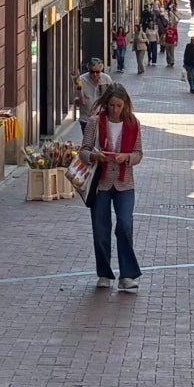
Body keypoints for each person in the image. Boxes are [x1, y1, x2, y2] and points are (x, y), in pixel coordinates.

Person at [87, 83, 143, 291]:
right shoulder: (95, 122)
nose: (115, 110)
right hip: (100, 183)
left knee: (125, 225)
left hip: (124, 182)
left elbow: (139, 153)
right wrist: (95, 155)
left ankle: (127, 275)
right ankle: (104, 273)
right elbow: (83, 150)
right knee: (101, 229)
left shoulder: (133, 124)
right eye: (111, 105)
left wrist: (126, 157)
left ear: (125, 105)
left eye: (119, 106)